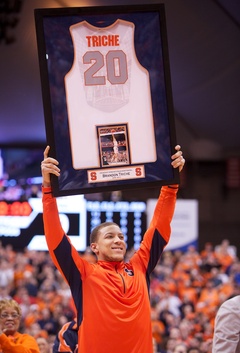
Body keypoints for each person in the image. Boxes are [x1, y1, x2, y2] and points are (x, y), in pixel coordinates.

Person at [41, 144, 185, 353]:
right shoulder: (84, 273)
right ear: (94, 247)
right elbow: (55, 237)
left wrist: (171, 184)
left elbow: (159, 226)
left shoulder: (140, 266)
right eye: (109, 236)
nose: (118, 240)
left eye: (121, 236)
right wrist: (47, 187)